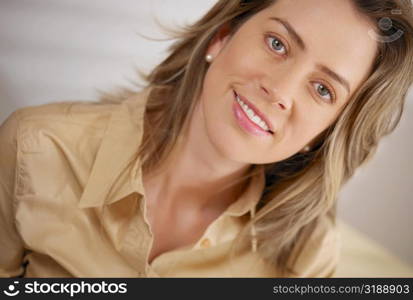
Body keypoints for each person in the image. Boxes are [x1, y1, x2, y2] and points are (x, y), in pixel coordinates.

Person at [0, 0, 412, 278]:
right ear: (222, 36)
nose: (280, 90)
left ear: (326, 133)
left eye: (323, 90)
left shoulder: (305, 255)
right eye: (277, 43)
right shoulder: (35, 149)